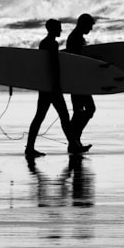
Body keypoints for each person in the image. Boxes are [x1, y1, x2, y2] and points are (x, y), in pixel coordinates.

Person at [25, 19, 84, 157]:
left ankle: (30, 147)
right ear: (52, 29)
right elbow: (53, 66)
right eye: (59, 28)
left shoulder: (44, 43)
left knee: (41, 116)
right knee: (62, 116)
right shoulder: (51, 44)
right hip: (52, 86)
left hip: (45, 85)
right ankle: (74, 145)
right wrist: (56, 85)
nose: (60, 30)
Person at [66, 13, 97, 150]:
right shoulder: (76, 38)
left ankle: (74, 142)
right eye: (89, 26)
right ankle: (74, 140)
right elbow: (77, 60)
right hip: (78, 81)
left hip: (77, 80)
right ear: (83, 24)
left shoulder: (76, 37)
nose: (90, 29)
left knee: (79, 111)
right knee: (88, 109)